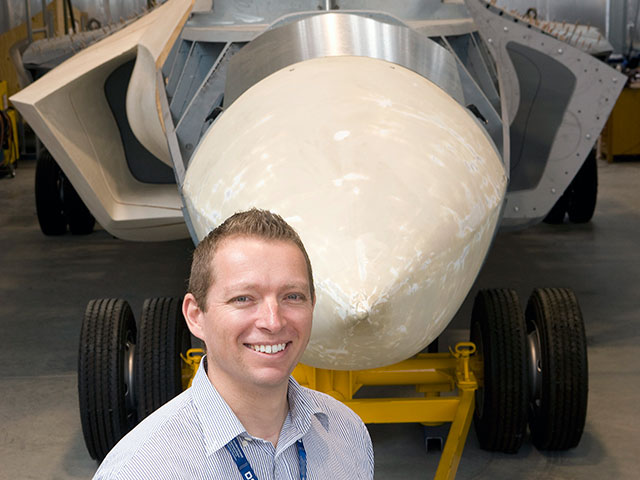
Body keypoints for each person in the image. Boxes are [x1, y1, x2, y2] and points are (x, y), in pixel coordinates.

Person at [93, 208, 374, 479]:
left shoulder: (347, 434)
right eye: (243, 298)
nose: (273, 322)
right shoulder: (141, 470)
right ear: (195, 316)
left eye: (292, 296)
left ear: (312, 304)